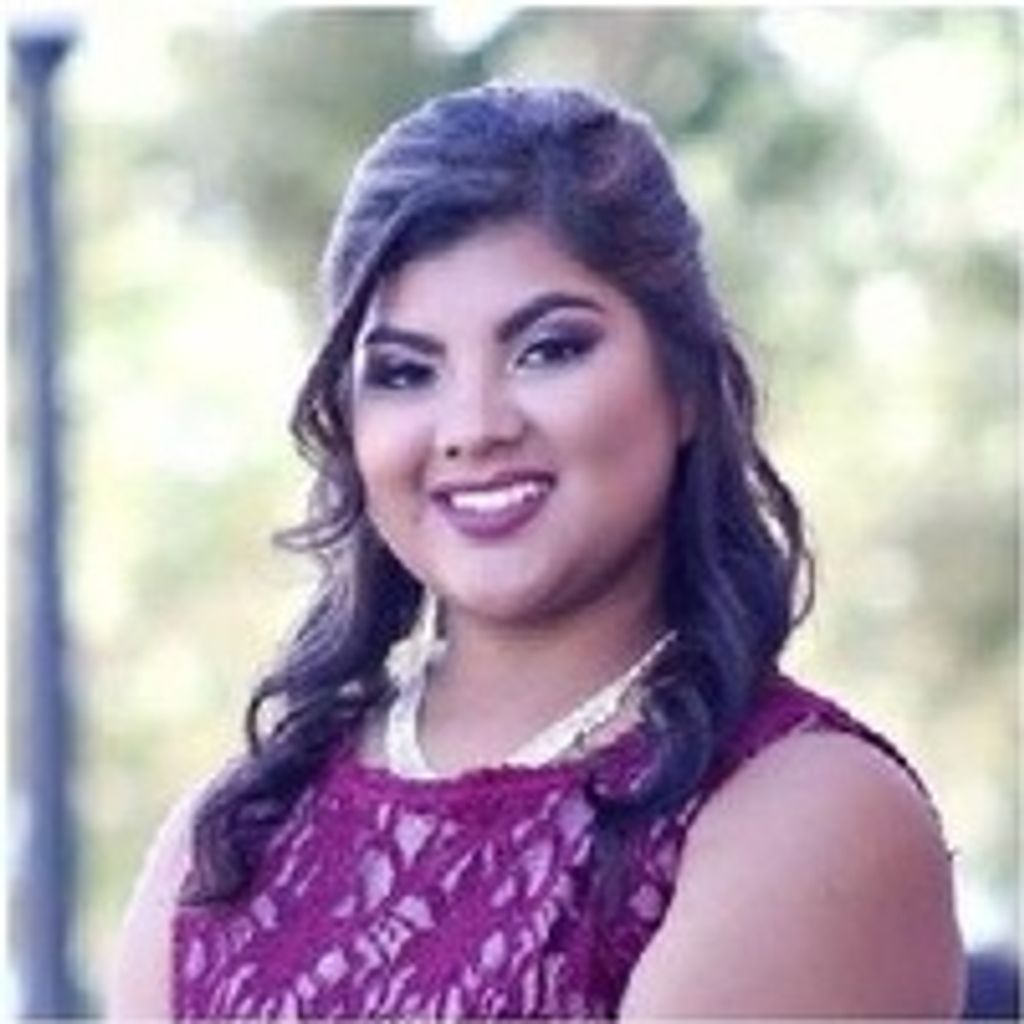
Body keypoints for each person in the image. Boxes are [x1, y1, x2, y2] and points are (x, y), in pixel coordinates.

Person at [109, 81, 965, 1019]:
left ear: (684, 381)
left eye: (548, 350)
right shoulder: (226, 847)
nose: (473, 427)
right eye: (405, 372)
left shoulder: (808, 816)